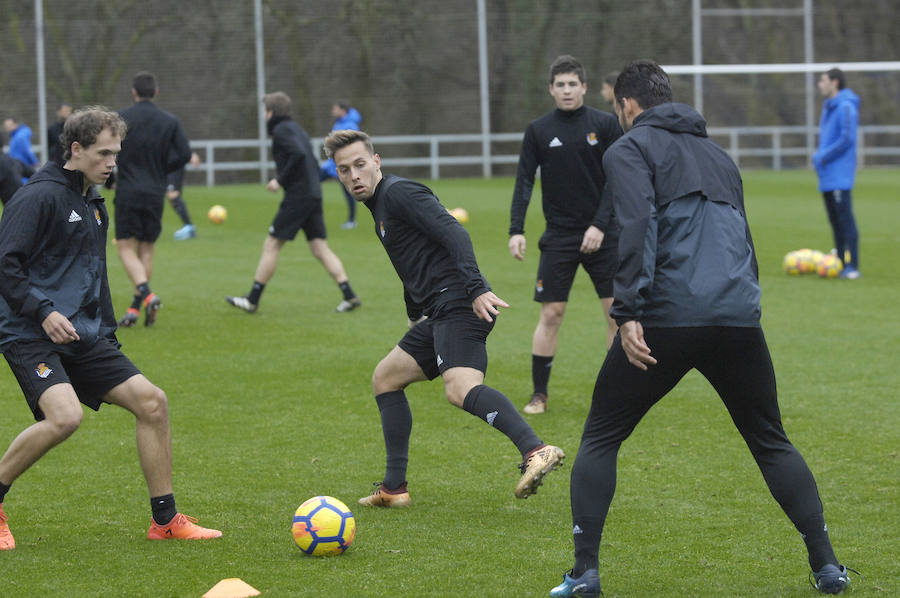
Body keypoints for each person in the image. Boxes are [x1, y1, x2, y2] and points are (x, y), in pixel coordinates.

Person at [549, 60, 852, 597]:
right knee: (770, 440)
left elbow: (637, 224)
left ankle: (584, 574)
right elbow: (744, 237)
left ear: (628, 106)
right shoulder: (719, 155)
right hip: (736, 316)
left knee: (600, 436)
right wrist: (746, 308)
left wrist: (627, 312)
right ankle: (828, 566)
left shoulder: (629, 148)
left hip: (665, 316)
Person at [0, 107, 221, 551]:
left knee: (152, 403)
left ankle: (165, 520)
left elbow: (93, 277)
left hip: (82, 333)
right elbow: (6, 265)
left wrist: (106, 334)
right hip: (29, 331)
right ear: (75, 150)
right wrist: (43, 312)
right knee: (65, 417)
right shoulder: (37, 197)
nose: (112, 163)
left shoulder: (94, 204)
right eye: (104, 153)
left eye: (116, 153)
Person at [324, 129, 565, 508]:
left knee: (459, 388)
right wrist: (413, 315)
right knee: (386, 378)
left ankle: (536, 449)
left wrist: (476, 288)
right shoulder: (381, 209)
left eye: (359, 165)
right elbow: (411, 265)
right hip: (438, 311)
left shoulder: (401, 193)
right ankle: (393, 489)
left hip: (461, 304)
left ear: (376, 162)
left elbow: (454, 232)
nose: (354, 175)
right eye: (344, 170)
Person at [508, 55, 621, 415]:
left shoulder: (605, 125)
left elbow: (618, 180)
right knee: (552, 314)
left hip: (603, 236)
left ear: (584, 87)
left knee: (617, 315)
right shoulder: (538, 130)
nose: (567, 90)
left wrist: (600, 225)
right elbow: (524, 181)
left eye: (573, 84)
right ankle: (539, 394)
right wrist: (516, 229)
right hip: (559, 236)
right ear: (551, 89)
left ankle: (616, 396)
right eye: (561, 85)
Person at [226, 91, 361, 314]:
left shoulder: (280, 130)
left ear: (270, 112)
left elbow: (298, 154)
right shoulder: (296, 128)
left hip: (299, 196)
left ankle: (252, 300)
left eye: (264, 111)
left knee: (271, 244)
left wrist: (280, 180)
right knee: (319, 247)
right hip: (313, 193)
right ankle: (349, 295)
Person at [115, 71, 193, 328]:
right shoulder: (169, 120)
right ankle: (136, 308)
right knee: (146, 248)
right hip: (155, 192)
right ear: (156, 92)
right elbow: (184, 153)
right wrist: (162, 169)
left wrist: (109, 178)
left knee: (125, 247)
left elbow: (107, 149)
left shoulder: (121, 118)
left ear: (134, 92)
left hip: (127, 190)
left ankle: (147, 294)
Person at [814, 68, 861, 279]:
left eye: (822, 80)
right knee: (834, 220)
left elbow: (847, 139)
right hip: (827, 175)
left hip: (840, 175)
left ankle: (853, 266)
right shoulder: (828, 107)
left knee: (845, 220)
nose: (819, 84)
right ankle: (841, 261)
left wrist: (824, 155)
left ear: (834, 82)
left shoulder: (846, 106)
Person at [319, 101, 363, 229]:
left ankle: (351, 221)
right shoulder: (339, 123)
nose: (333, 111)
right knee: (312, 182)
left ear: (342, 110)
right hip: (332, 166)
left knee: (349, 193)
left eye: (335, 109)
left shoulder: (351, 125)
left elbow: (351, 146)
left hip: (342, 166)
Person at [167, 152, 202, 240]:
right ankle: (189, 227)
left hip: (173, 164)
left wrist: (191, 155)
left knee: (172, 194)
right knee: (172, 199)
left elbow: (179, 142)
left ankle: (189, 227)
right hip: (165, 163)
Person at [3, 117, 39, 181]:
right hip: (18, 167)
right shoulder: (15, 136)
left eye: (9, 125)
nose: (7, 128)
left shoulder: (20, 136)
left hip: (22, 168)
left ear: (16, 124)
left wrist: (35, 162)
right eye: (6, 126)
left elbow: (28, 151)